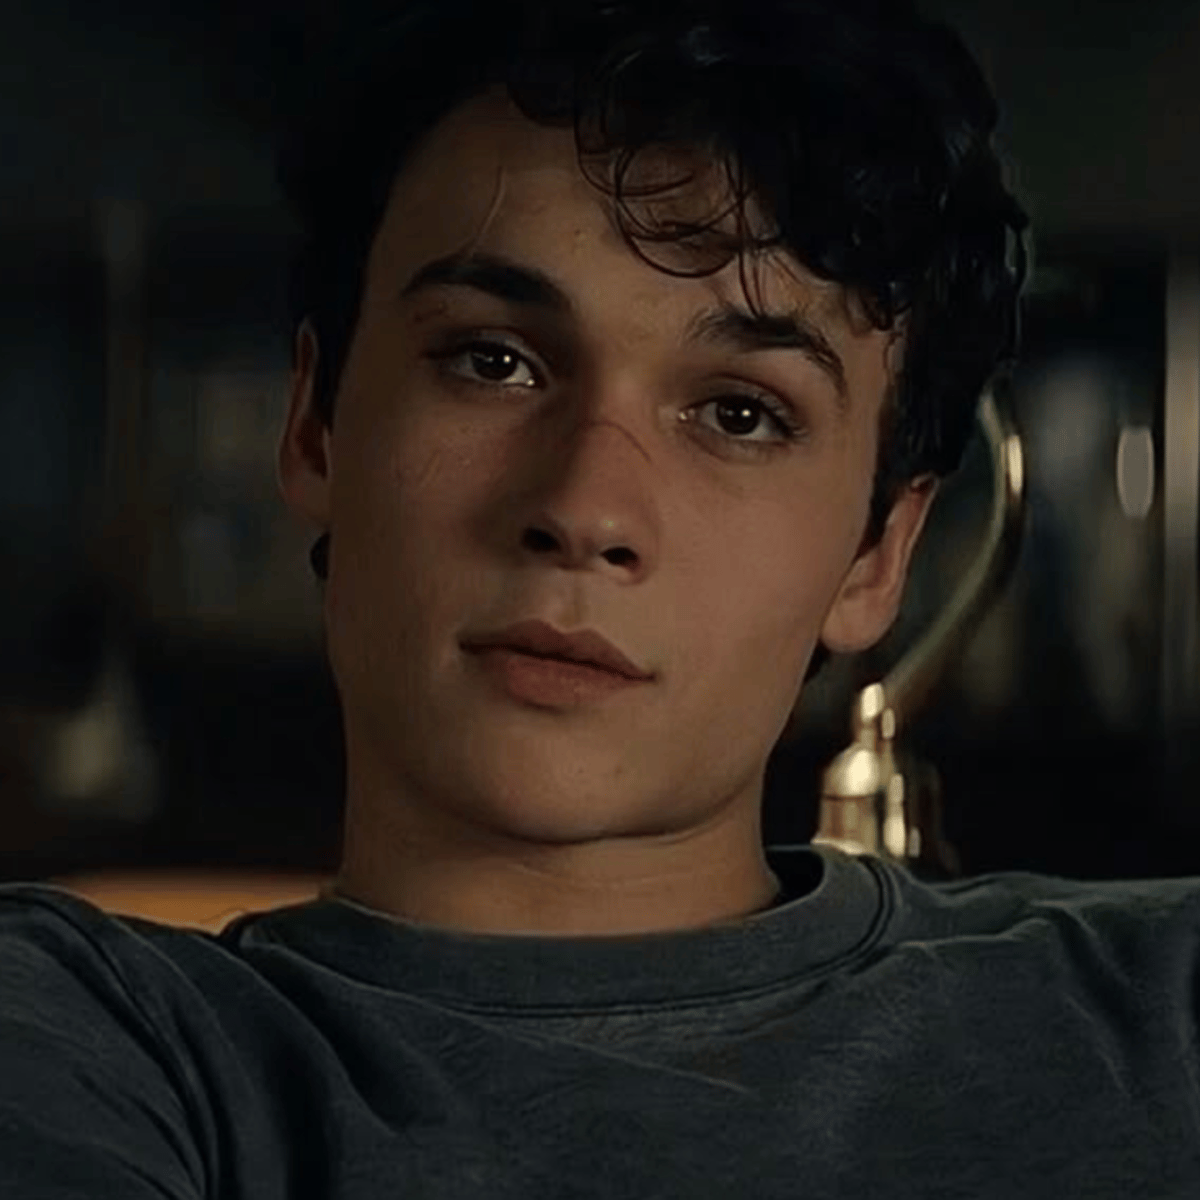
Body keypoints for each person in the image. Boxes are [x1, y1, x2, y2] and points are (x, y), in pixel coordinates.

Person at [2, 0, 1198, 1195]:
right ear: (316, 425)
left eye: (740, 413)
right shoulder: (105, 1047)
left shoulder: (1153, 1014)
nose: (586, 510)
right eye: (494, 361)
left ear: (878, 553)